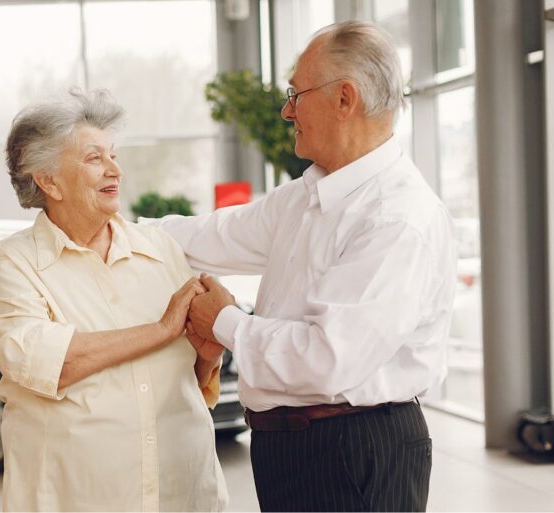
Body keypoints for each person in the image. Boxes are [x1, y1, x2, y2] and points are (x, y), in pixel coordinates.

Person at [148, 21, 457, 512]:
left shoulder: (397, 218)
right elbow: (209, 236)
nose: (286, 110)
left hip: (354, 450)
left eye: (296, 94)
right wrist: (117, 231)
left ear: (344, 99)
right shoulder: (305, 197)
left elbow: (327, 359)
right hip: (292, 448)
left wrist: (223, 320)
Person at [0, 89, 228, 512]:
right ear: (48, 180)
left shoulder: (160, 249)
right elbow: (52, 363)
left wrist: (208, 352)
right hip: (77, 500)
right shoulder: (16, 262)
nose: (114, 169)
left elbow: (190, 375)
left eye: (113, 155)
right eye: (94, 158)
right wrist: (161, 329)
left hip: (183, 495)